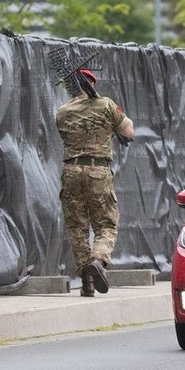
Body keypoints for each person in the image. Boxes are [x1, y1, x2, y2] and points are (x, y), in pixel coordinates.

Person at [56, 68, 134, 297]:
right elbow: (128, 131)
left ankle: (87, 281)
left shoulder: (62, 112)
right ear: (92, 84)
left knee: (77, 227)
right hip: (98, 171)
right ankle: (98, 261)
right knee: (106, 224)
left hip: (71, 171)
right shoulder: (106, 105)